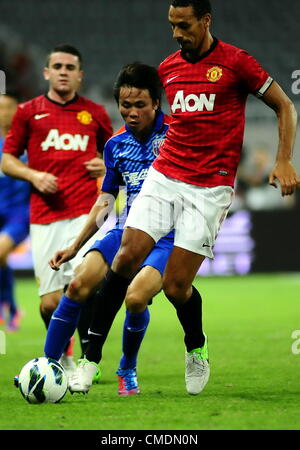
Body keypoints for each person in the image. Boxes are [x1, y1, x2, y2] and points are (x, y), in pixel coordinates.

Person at [78, 0, 300, 396]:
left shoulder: (237, 62)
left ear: (206, 20)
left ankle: (196, 345)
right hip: (166, 175)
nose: (177, 33)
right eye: (172, 25)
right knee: (127, 254)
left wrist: (283, 159)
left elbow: (285, 105)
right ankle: (90, 358)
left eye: (184, 25)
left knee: (177, 286)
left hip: (209, 187)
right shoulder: (167, 69)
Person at [43, 62, 178, 396]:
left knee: (135, 300)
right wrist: (75, 246)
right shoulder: (115, 145)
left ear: (156, 103)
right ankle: (49, 366)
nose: (131, 113)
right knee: (77, 284)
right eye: (125, 105)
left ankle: (127, 368)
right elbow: (106, 200)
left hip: (167, 237)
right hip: (127, 228)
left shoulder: (177, 136)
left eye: (140, 105)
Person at [1, 44, 113, 374]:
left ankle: (86, 359)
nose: (64, 71)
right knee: (50, 302)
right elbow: (7, 160)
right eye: (58, 66)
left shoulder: (95, 113)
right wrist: (33, 174)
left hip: (85, 214)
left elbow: (118, 155)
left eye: (70, 67)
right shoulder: (28, 113)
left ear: (80, 75)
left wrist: (104, 166)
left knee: (83, 285)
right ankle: (62, 353)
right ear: (47, 72)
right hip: (45, 217)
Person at [0, 93, 30, 331]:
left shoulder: (28, 142)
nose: (4, 112)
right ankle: (11, 307)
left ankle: (8, 306)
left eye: (8, 107)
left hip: (21, 212)